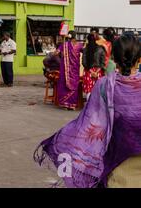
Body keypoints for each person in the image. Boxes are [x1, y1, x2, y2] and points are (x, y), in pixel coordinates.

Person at [35, 34, 141, 188]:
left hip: (117, 161)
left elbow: (91, 122)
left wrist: (60, 140)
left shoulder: (104, 85)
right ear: (139, 59)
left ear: (113, 58)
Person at [57, 30, 84, 110]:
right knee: (74, 85)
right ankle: (72, 105)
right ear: (75, 36)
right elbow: (85, 52)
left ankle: (65, 104)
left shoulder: (64, 45)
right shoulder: (80, 45)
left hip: (65, 70)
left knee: (65, 84)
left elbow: (56, 53)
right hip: (75, 70)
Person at [82, 34, 106, 100]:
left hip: (88, 72)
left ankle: (89, 106)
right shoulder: (101, 49)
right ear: (96, 40)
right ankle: (97, 107)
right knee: (98, 90)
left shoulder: (85, 49)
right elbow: (103, 63)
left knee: (89, 90)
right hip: (98, 72)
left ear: (88, 40)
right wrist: (96, 72)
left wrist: (91, 71)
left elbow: (84, 63)